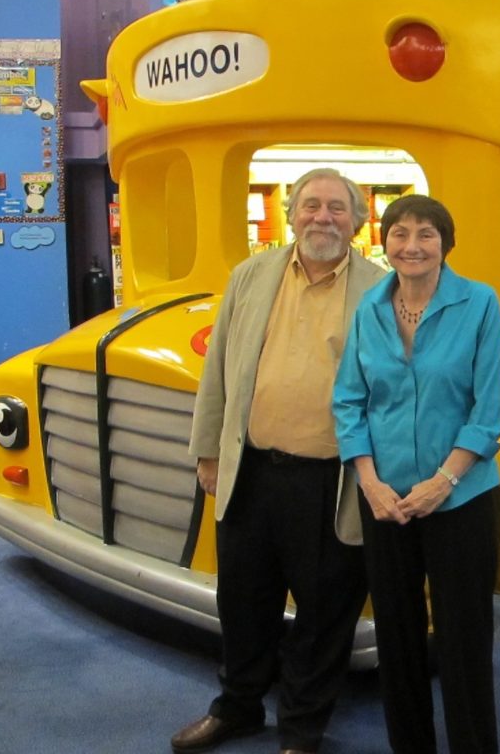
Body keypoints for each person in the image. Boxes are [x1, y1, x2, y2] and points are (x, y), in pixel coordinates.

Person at [173, 167, 386, 754]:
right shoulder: (251, 276)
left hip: (331, 481)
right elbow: (218, 370)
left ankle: (301, 728)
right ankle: (237, 707)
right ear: (291, 214)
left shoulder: (379, 290)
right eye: (311, 205)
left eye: (337, 208)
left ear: (357, 220)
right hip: (252, 471)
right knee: (242, 601)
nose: (323, 217)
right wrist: (208, 451)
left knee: (324, 615)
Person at [333, 194, 500, 754]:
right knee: (398, 637)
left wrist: (444, 482)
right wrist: (369, 480)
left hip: (458, 498)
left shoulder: (479, 304)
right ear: (383, 243)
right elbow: (348, 400)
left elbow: (490, 412)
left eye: (426, 234)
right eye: (399, 233)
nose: (411, 245)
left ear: (445, 244)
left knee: (462, 641)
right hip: (384, 499)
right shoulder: (369, 308)